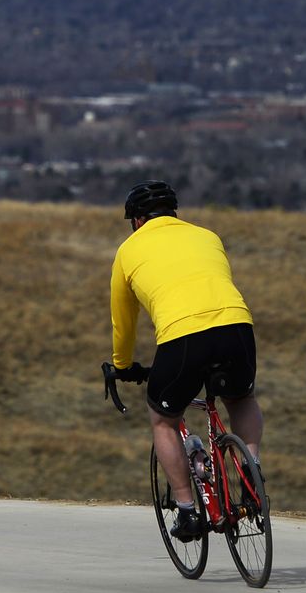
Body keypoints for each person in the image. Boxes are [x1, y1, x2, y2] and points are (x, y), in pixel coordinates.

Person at [108, 180, 262, 543]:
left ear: (137, 221)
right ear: (174, 212)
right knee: (241, 398)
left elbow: (123, 322)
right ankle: (251, 472)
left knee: (163, 419)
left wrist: (123, 364)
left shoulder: (128, 252)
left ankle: (188, 511)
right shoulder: (207, 236)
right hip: (237, 326)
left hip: (183, 337)